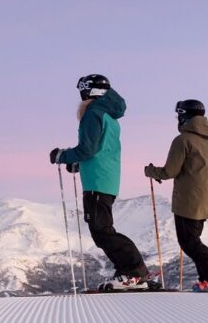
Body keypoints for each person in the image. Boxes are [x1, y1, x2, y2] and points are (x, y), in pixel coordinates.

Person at [50, 74, 160, 291]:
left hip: (97, 182)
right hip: (105, 178)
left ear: (88, 92)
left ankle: (134, 271)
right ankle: (130, 273)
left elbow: (87, 149)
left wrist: (62, 155)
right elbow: (101, 151)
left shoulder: (93, 114)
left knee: (101, 231)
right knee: (103, 229)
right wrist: (79, 164)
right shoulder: (109, 116)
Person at [144, 99, 208, 292]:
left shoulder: (182, 140)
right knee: (193, 241)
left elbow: (169, 172)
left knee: (190, 243)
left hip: (188, 200)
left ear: (184, 116)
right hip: (206, 199)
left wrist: (150, 171)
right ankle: (207, 281)